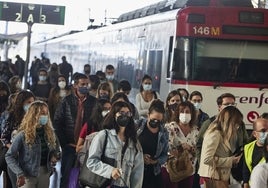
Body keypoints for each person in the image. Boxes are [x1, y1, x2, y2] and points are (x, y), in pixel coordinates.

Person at [87, 101, 144, 188]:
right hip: (105, 185)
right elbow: (91, 161)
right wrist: (110, 171)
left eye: (128, 113)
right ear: (114, 115)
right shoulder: (103, 136)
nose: (125, 116)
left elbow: (137, 172)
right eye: (121, 113)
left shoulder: (134, 142)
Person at [53, 73, 96, 188]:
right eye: (83, 84)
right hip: (69, 145)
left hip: (86, 147)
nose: (86, 86)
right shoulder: (66, 101)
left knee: (84, 178)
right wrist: (64, 143)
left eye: (87, 84)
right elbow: (57, 122)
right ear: (75, 85)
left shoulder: (94, 102)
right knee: (66, 177)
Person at [5, 101, 59, 188]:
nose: (45, 116)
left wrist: (54, 155)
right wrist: (19, 173)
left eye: (46, 113)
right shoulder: (23, 135)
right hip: (27, 175)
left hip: (45, 173)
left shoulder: (50, 133)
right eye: (42, 113)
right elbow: (9, 156)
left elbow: (56, 150)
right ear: (33, 115)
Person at [198, 106, 244, 188]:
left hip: (220, 177)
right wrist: (231, 161)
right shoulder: (214, 133)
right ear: (230, 121)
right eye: (236, 123)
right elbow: (207, 159)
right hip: (211, 177)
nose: (237, 127)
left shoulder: (224, 134)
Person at [1, 90, 35, 188]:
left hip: (29, 158)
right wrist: (13, 148)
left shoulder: (35, 117)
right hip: (14, 157)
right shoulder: (12, 116)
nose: (31, 105)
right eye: (28, 102)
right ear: (21, 102)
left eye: (33, 102)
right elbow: (4, 137)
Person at [163, 101, 198, 188]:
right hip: (171, 169)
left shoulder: (195, 131)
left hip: (188, 170)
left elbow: (198, 151)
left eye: (187, 112)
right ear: (177, 113)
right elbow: (166, 147)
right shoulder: (170, 127)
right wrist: (180, 148)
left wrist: (189, 148)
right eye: (182, 111)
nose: (184, 114)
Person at [137, 99, 169, 188]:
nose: (155, 122)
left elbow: (165, 155)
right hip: (137, 169)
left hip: (154, 172)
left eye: (158, 121)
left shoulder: (164, 132)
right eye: (153, 119)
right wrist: (140, 157)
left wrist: (155, 161)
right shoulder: (138, 126)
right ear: (148, 115)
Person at [242, 118, 268, 188]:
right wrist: (245, 183)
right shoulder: (248, 147)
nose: (267, 133)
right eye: (263, 130)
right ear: (254, 133)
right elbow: (246, 169)